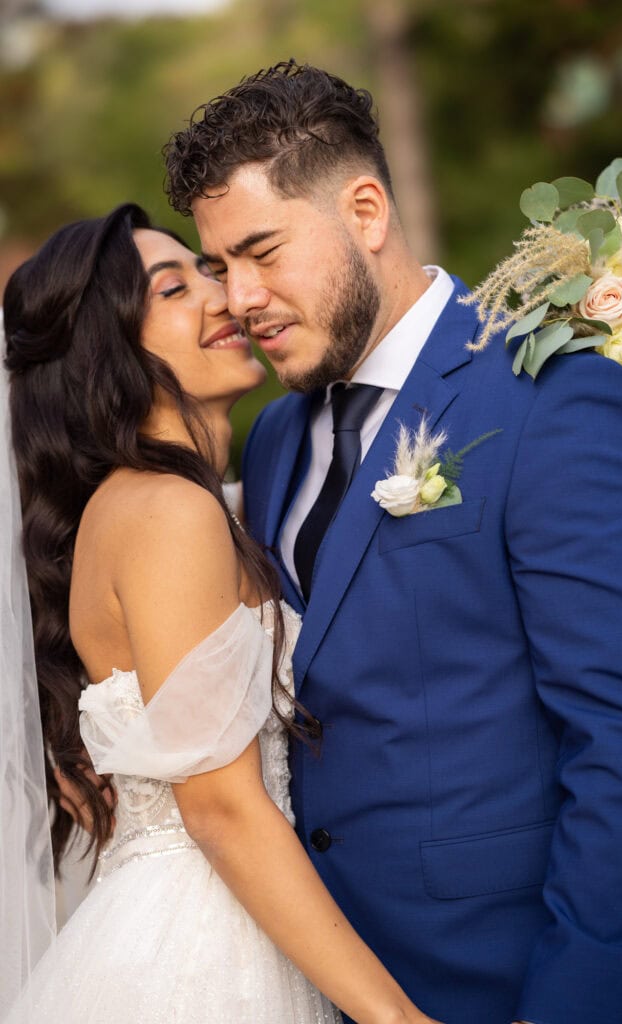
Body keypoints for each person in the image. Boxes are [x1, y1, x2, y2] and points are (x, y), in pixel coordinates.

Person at [163, 60, 622, 1024]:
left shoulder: (556, 399)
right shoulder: (273, 439)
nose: (238, 297)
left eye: (262, 252)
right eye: (220, 265)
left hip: (515, 980)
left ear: (365, 211)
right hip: (327, 979)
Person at [0, 202, 443, 1024]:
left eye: (208, 272)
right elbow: (220, 807)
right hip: (204, 949)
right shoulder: (167, 513)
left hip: (240, 914)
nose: (226, 297)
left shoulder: (200, 505)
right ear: (106, 350)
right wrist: (396, 1019)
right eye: (174, 289)